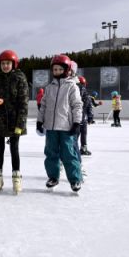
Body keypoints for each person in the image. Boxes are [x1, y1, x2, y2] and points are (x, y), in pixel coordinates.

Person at [0, 50, 29, 195]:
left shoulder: (20, 79)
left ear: (13, 64)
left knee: (14, 149)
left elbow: (23, 103)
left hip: (15, 121)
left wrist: (20, 124)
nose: (5, 66)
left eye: (8, 63)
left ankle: (16, 178)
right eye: (3, 63)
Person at [36, 54, 83, 192]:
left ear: (67, 70)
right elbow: (43, 106)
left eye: (59, 69)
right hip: (50, 127)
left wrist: (76, 122)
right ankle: (53, 177)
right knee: (51, 153)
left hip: (66, 127)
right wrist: (40, 121)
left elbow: (77, 105)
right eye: (54, 69)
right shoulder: (49, 87)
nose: (56, 72)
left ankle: (75, 180)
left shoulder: (72, 86)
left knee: (69, 154)